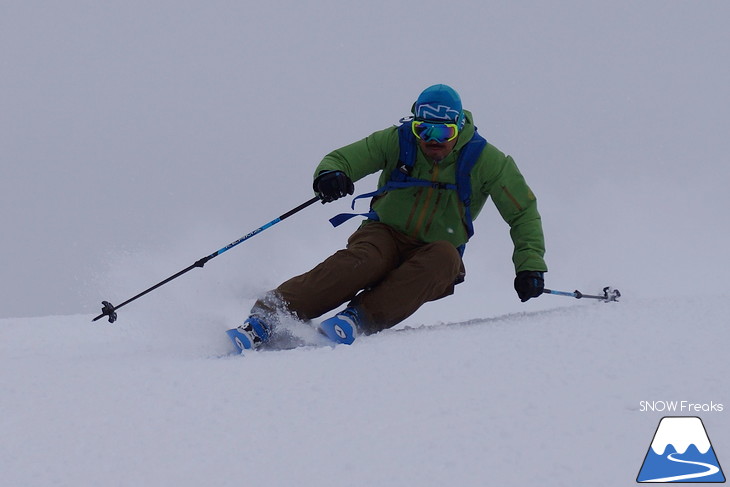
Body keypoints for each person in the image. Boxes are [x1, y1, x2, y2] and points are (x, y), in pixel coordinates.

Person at [227, 84, 547, 351]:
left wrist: (529, 265)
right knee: (364, 261)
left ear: (459, 127)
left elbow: (523, 213)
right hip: (385, 233)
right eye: (424, 129)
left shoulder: (488, 161)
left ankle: (358, 318)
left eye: (443, 131)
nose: (433, 141)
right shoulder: (398, 140)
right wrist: (331, 174)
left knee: (444, 259)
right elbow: (344, 158)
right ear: (415, 124)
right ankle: (267, 318)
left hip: (435, 247)